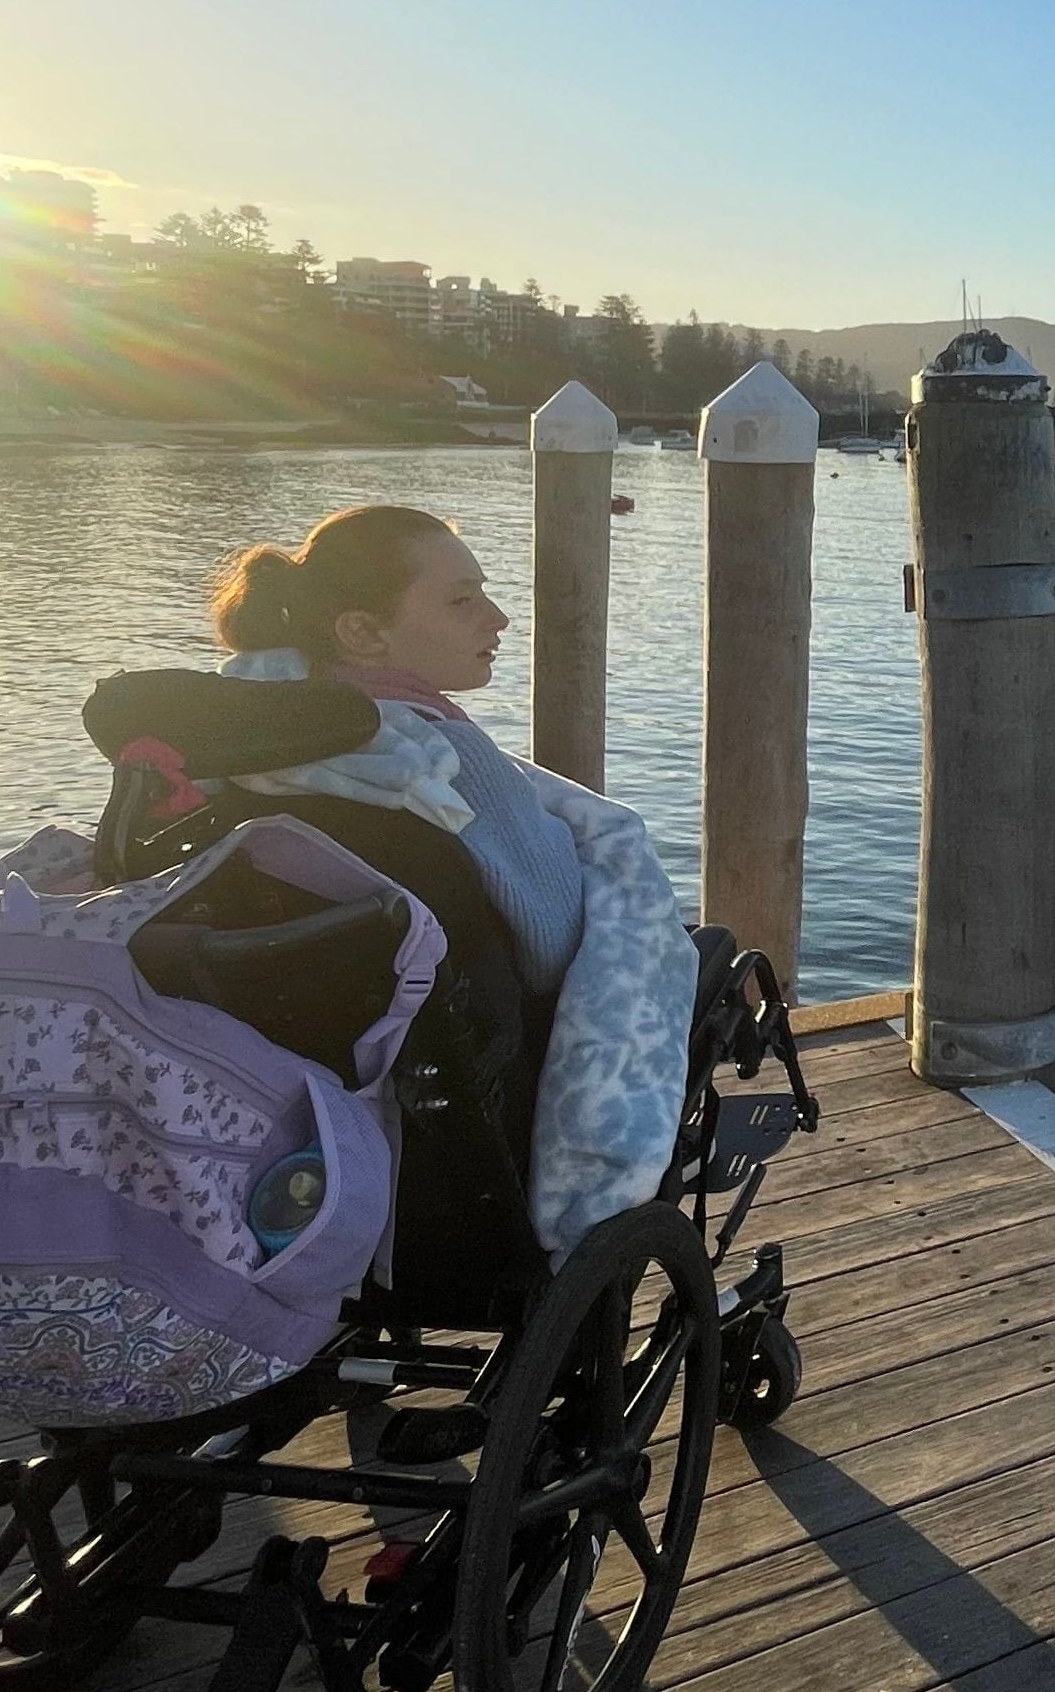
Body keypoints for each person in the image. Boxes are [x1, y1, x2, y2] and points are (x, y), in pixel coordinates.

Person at [204, 505, 694, 1257]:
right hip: (454, 1115)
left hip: (277, 1107)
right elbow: (556, 951)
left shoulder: (236, 754)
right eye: (462, 600)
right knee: (700, 957)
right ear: (362, 633)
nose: (497, 618)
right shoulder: (447, 769)